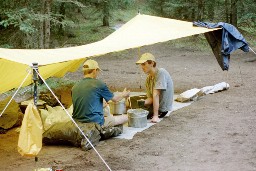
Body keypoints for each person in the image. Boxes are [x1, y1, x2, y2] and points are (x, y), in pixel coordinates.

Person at [72, 59, 130, 129]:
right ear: (94, 70)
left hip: (77, 122)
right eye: (98, 71)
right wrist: (123, 94)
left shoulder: (75, 86)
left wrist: (100, 105)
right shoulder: (98, 84)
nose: (98, 73)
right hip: (95, 122)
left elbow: (83, 104)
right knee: (126, 117)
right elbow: (115, 99)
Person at [136, 53, 174, 123]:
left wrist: (155, 116)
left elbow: (156, 95)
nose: (142, 67)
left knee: (136, 116)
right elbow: (151, 98)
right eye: (141, 64)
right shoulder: (148, 79)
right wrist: (143, 102)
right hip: (153, 106)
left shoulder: (161, 73)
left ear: (152, 63)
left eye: (144, 64)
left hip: (162, 110)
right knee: (130, 108)